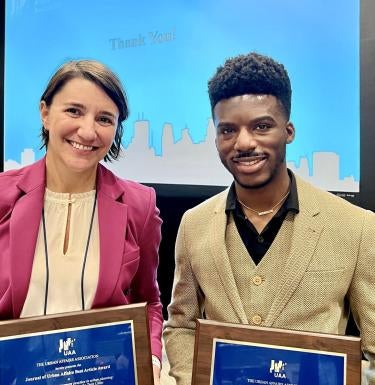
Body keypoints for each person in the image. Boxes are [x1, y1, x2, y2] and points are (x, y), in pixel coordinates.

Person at [163, 52, 375, 385]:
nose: (243, 143)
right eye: (228, 130)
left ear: (288, 131)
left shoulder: (357, 226)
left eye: (261, 126)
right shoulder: (194, 224)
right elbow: (181, 326)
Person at [0, 60, 163, 384]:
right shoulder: (3, 195)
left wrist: (152, 359)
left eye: (104, 119)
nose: (88, 131)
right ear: (45, 113)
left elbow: (149, 303)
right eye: (74, 111)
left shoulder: (139, 205)